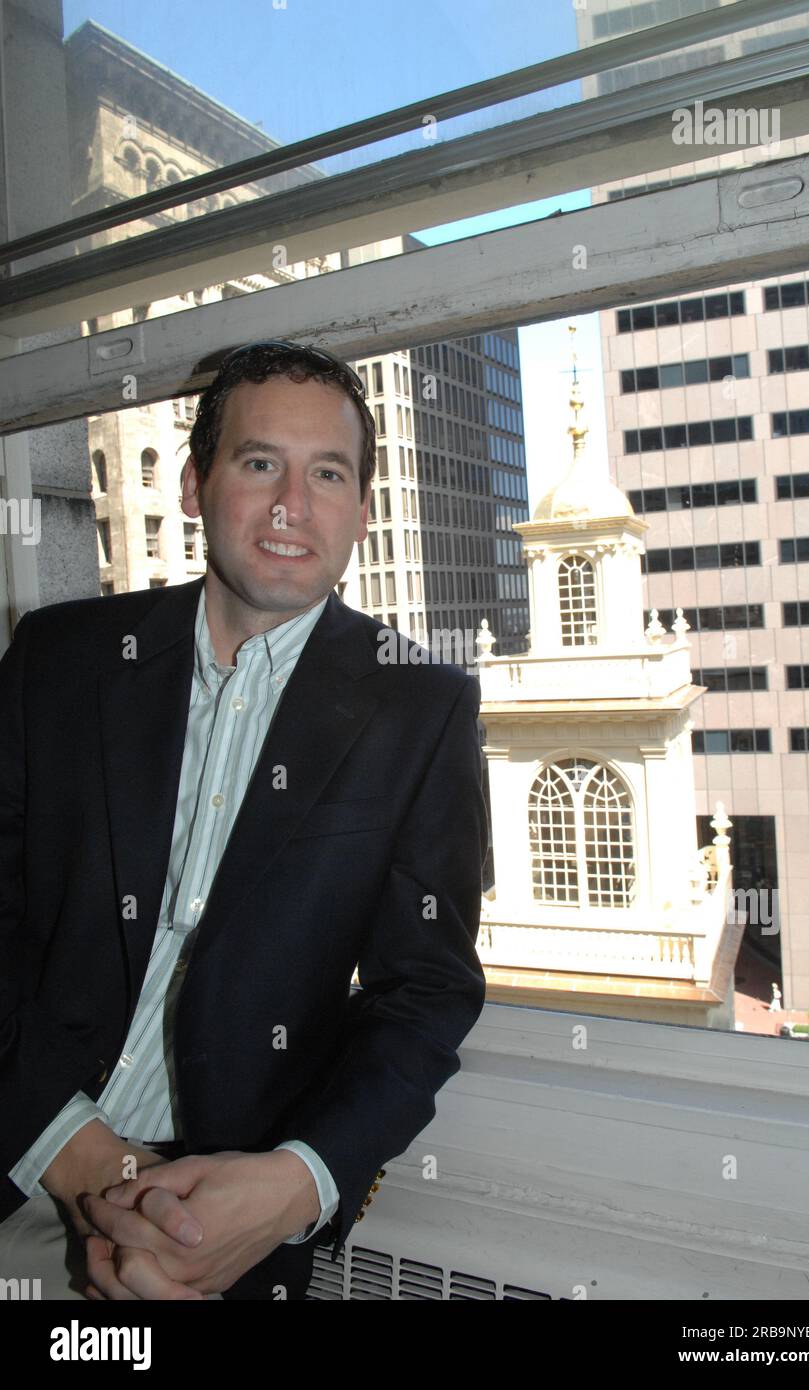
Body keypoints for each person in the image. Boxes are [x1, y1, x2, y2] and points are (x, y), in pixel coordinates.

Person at [0, 340, 488, 1301]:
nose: (291, 506)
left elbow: (423, 991)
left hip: (223, 1213)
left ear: (359, 510)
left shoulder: (421, 707)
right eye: (260, 462)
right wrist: (70, 1147)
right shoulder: (60, 658)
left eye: (329, 475)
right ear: (194, 484)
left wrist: (295, 1182)